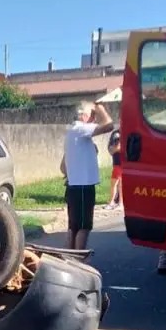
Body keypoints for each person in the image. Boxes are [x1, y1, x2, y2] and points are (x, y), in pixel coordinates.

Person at [61, 101, 114, 250]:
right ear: (84, 116)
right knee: (84, 227)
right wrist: (101, 108)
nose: (95, 119)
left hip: (73, 185)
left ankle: (69, 257)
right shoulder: (81, 129)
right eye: (93, 115)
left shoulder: (73, 132)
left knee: (74, 226)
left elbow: (62, 166)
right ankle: (79, 260)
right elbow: (109, 125)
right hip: (83, 186)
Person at [104, 128, 122, 210]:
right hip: (117, 162)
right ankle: (119, 203)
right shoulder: (116, 133)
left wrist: (115, 148)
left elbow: (117, 148)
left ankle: (113, 202)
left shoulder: (122, 133)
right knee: (118, 184)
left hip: (121, 163)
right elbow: (111, 148)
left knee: (115, 184)